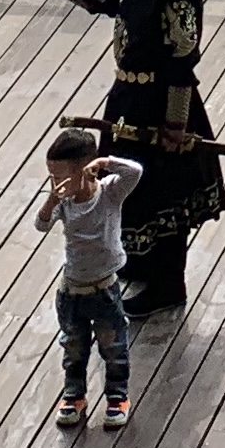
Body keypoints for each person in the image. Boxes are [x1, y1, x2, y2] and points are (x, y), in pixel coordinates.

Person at [48, 0, 225, 313]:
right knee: (125, 184)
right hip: (128, 93)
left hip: (161, 99)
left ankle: (169, 285)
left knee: (162, 191)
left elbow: (183, 54)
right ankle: (140, 261)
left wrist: (175, 121)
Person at [39, 126, 144, 431]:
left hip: (105, 288)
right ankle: (74, 395)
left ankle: (117, 397)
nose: (56, 183)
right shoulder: (62, 203)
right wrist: (49, 201)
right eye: (52, 177)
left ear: (85, 169)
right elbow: (41, 225)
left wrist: (106, 161)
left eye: (60, 176)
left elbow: (134, 172)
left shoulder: (109, 193)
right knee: (74, 347)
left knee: (114, 348)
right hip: (71, 290)